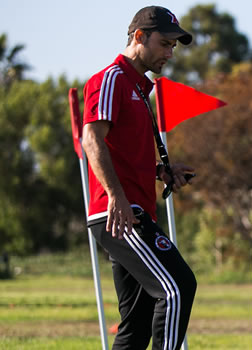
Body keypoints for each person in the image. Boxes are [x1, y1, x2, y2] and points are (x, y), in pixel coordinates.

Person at [82, 6, 197, 350]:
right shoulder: (111, 79)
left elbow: (125, 152)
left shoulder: (137, 87)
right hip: (118, 212)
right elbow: (92, 139)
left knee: (136, 327)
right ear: (139, 37)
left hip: (133, 208)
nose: (169, 53)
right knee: (177, 287)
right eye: (164, 44)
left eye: (174, 46)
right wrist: (116, 196)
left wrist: (161, 172)